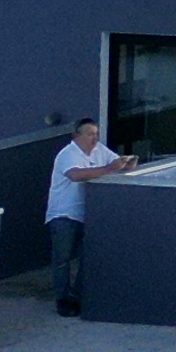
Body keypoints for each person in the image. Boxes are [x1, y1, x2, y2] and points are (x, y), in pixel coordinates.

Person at [45, 117, 132, 317]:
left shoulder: (99, 150)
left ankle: (76, 296)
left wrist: (126, 163)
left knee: (88, 256)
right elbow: (75, 175)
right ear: (77, 136)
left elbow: (115, 162)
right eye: (90, 134)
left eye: (96, 134)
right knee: (62, 259)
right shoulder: (67, 154)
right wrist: (110, 168)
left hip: (87, 214)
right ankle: (63, 299)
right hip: (64, 214)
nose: (94, 138)